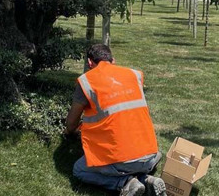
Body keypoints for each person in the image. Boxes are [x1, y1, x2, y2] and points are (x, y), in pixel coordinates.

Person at [64, 44, 166, 196]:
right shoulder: (134, 75)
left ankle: (124, 183)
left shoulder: (87, 81)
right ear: (113, 60)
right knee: (135, 160)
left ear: (90, 62)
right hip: (150, 155)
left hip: (120, 161)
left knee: (79, 169)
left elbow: (71, 124)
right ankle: (147, 180)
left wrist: (69, 132)